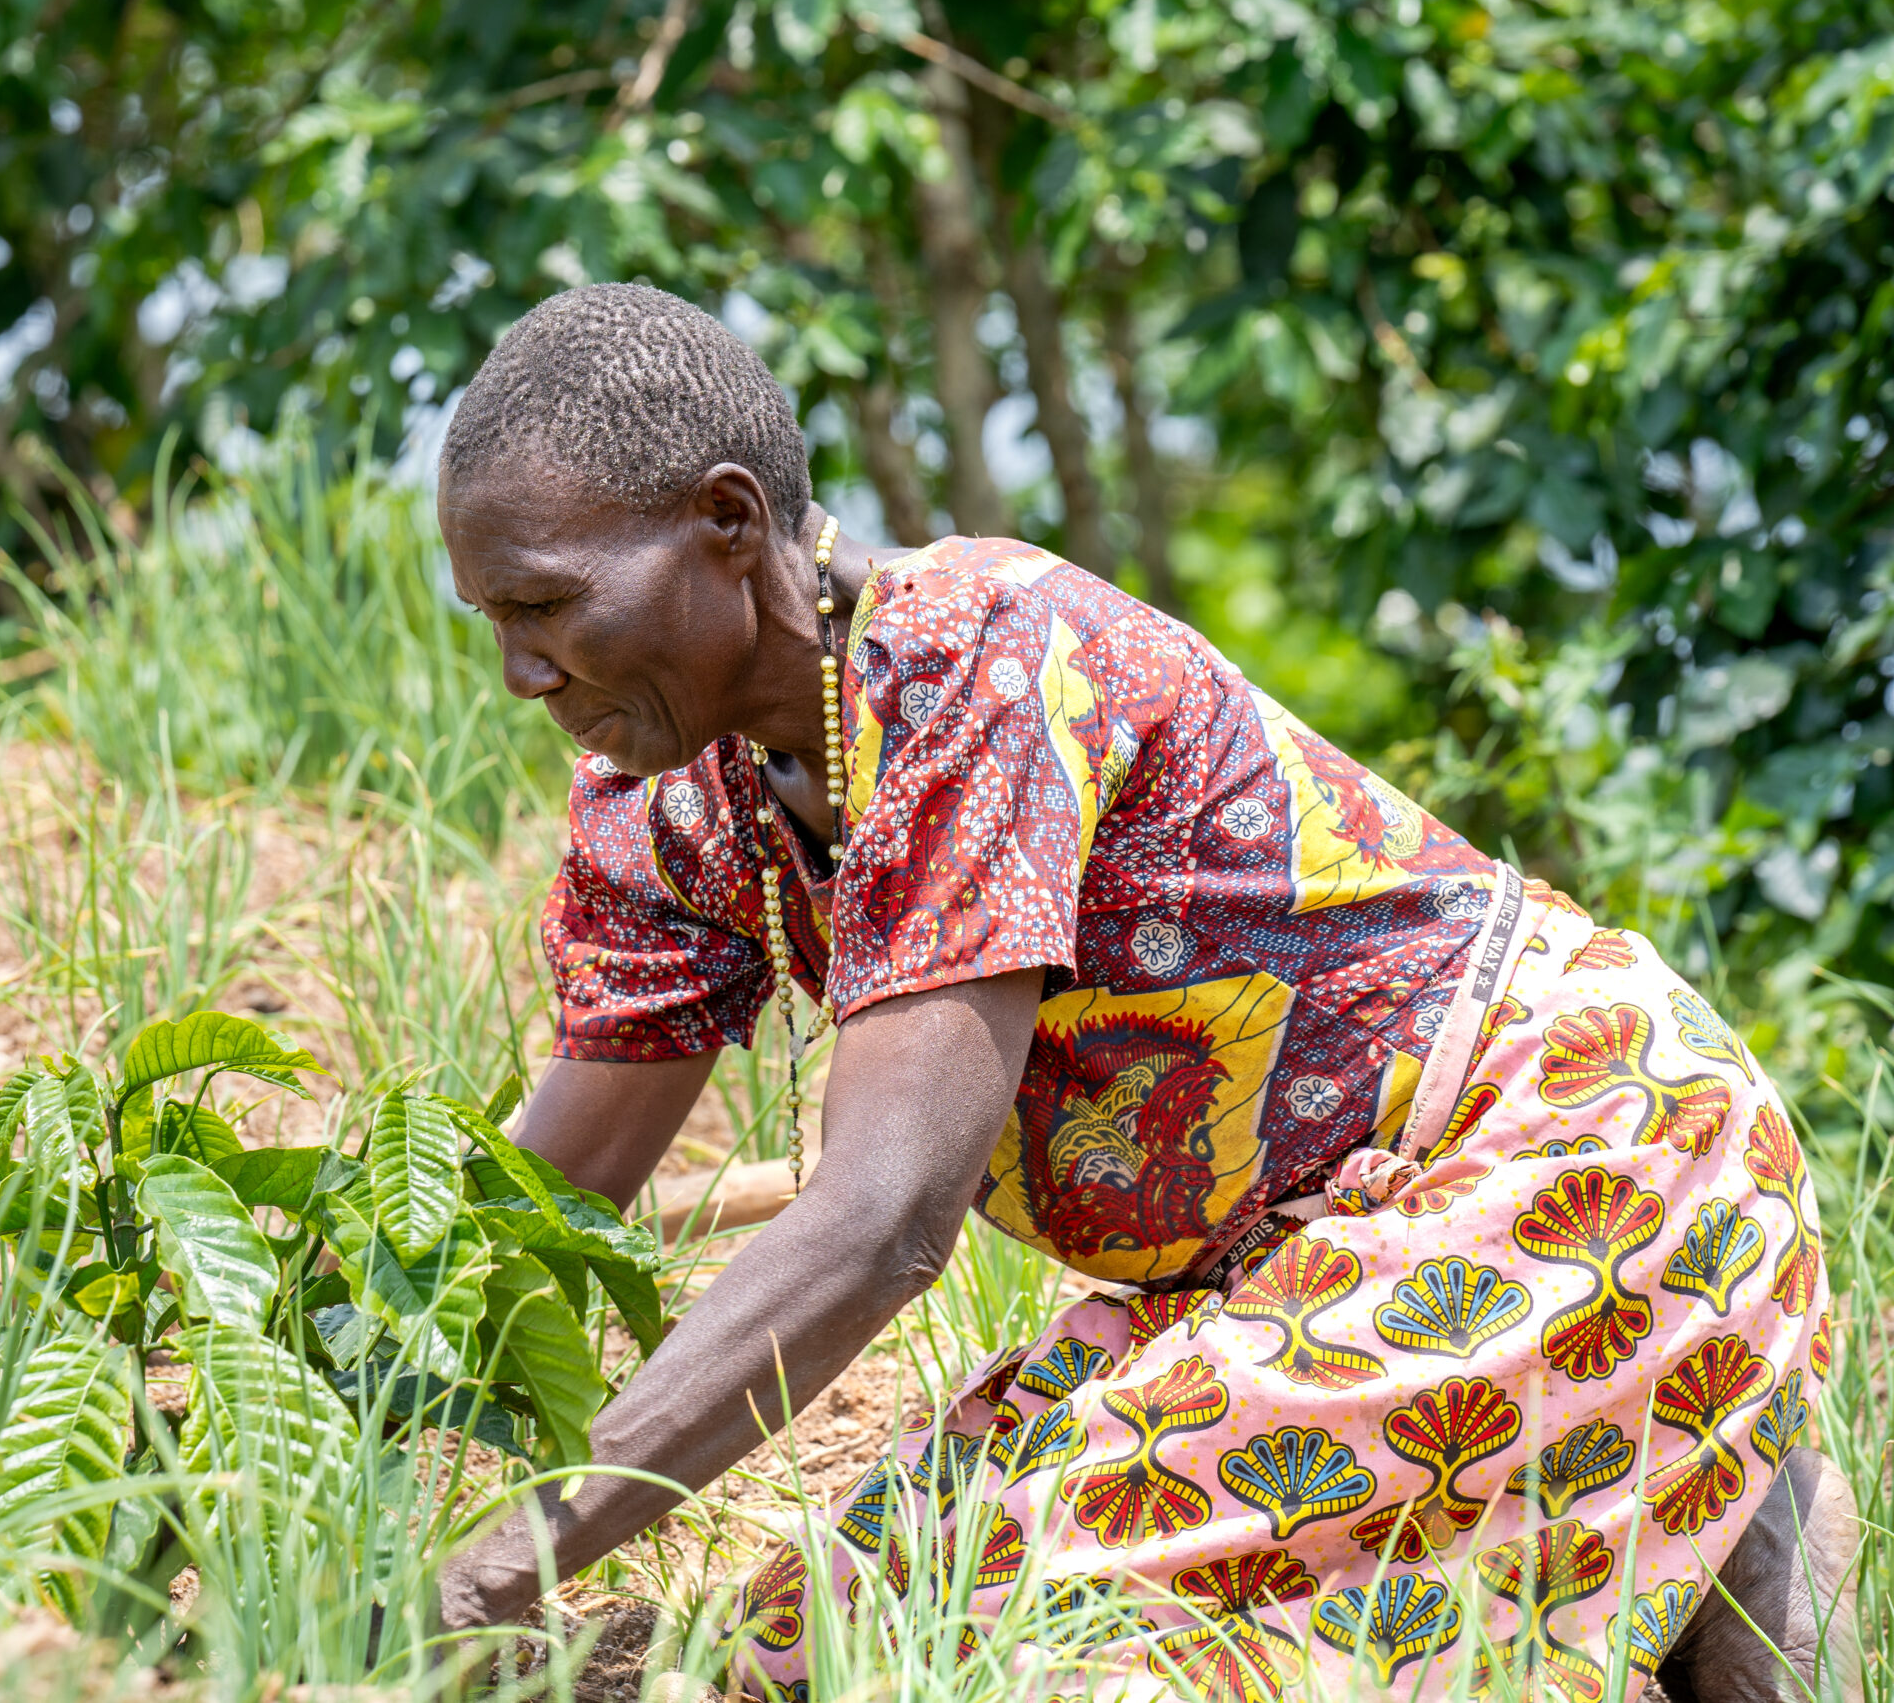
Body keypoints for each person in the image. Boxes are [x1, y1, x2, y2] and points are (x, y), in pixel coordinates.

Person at [432, 282, 1842, 1701]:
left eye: (546, 602)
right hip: (1273, 1262)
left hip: (1568, 1149)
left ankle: (1698, 1475)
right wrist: (279, 1411)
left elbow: (881, 1223)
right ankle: (1699, 1521)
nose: (515, 667)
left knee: (1049, 1646)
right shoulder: (661, 801)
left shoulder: (980, 662)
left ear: (730, 524)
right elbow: (538, 1209)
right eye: (492, 616)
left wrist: (503, 1567)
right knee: (806, 1646)